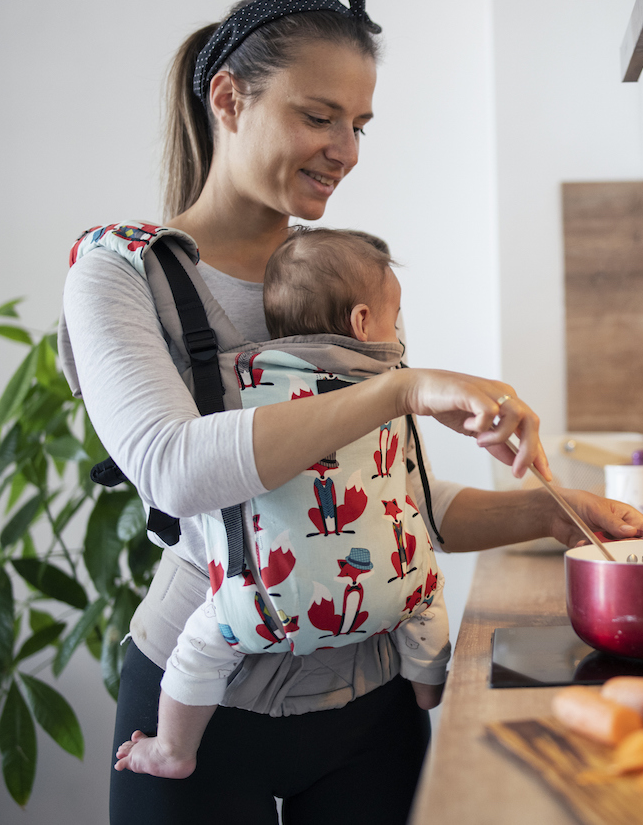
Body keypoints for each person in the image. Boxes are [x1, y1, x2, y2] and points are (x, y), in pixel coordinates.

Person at [58, 0, 643, 825]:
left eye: (360, 124)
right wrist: (403, 388)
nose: (344, 150)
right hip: (197, 702)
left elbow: (386, 501)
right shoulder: (121, 270)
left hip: (372, 704)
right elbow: (174, 469)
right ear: (228, 99)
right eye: (318, 116)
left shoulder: (342, 274)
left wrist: (552, 512)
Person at [112, 227, 451, 780]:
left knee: (199, 646)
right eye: (394, 316)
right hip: (393, 590)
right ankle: (427, 689)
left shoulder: (238, 383)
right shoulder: (389, 380)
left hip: (263, 600)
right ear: (362, 323)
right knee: (427, 600)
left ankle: (173, 749)